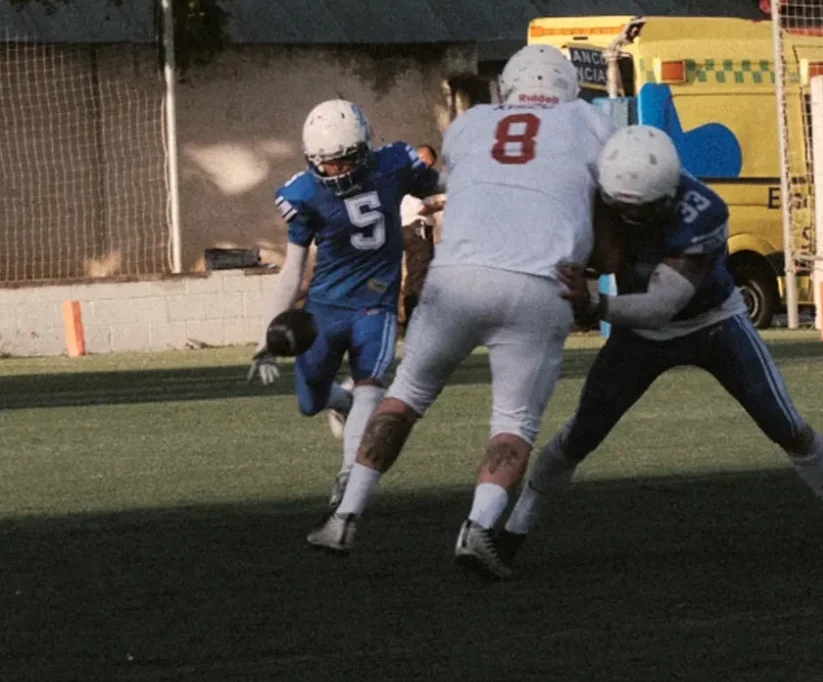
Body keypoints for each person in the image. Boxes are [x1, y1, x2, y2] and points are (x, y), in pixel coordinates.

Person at [496, 124, 823, 577]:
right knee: (581, 434)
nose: (627, 215)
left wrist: (594, 302)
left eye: (636, 209)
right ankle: (512, 534)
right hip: (641, 332)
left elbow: (660, 307)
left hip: (711, 322)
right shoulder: (598, 193)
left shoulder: (703, 213)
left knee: (786, 425)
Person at [305, 45, 620, 576]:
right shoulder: (589, 121)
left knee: (403, 398)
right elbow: (609, 205)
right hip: (539, 284)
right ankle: (478, 528)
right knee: (513, 424)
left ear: (507, 90)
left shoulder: (472, 123)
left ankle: (345, 516)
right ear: (568, 90)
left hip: (456, 277)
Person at [247, 99, 443, 539]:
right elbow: (293, 268)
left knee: (374, 387)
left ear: (363, 149)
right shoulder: (303, 194)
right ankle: (343, 403)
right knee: (308, 402)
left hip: (375, 303)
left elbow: (447, 181)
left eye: (341, 162)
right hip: (324, 309)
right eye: (324, 164)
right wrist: (268, 334)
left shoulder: (393, 164)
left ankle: (349, 482)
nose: (333, 171)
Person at [399, 145, 443, 326]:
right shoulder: (413, 177)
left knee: (414, 275)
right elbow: (421, 209)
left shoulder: (406, 177)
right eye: (427, 162)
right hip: (418, 229)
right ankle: (417, 321)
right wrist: (440, 206)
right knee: (420, 274)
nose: (428, 167)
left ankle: (411, 319)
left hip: (413, 229)